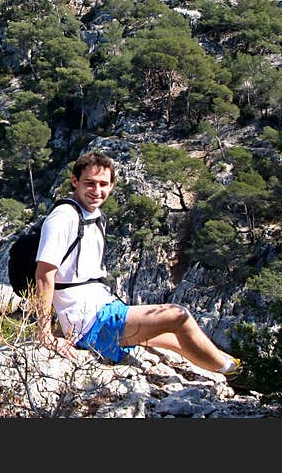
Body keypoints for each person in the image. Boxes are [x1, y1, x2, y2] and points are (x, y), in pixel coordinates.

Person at [34, 150, 242, 378]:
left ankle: (230, 371)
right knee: (178, 316)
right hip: (89, 322)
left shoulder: (93, 214)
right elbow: (44, 275)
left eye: (103, 184)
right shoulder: (64, 217)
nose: (97, 191)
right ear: (75, 181)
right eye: (89, 183)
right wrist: (45, 334)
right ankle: (229, 369)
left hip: (104, 307)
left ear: (112, 185)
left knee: (173, 340)